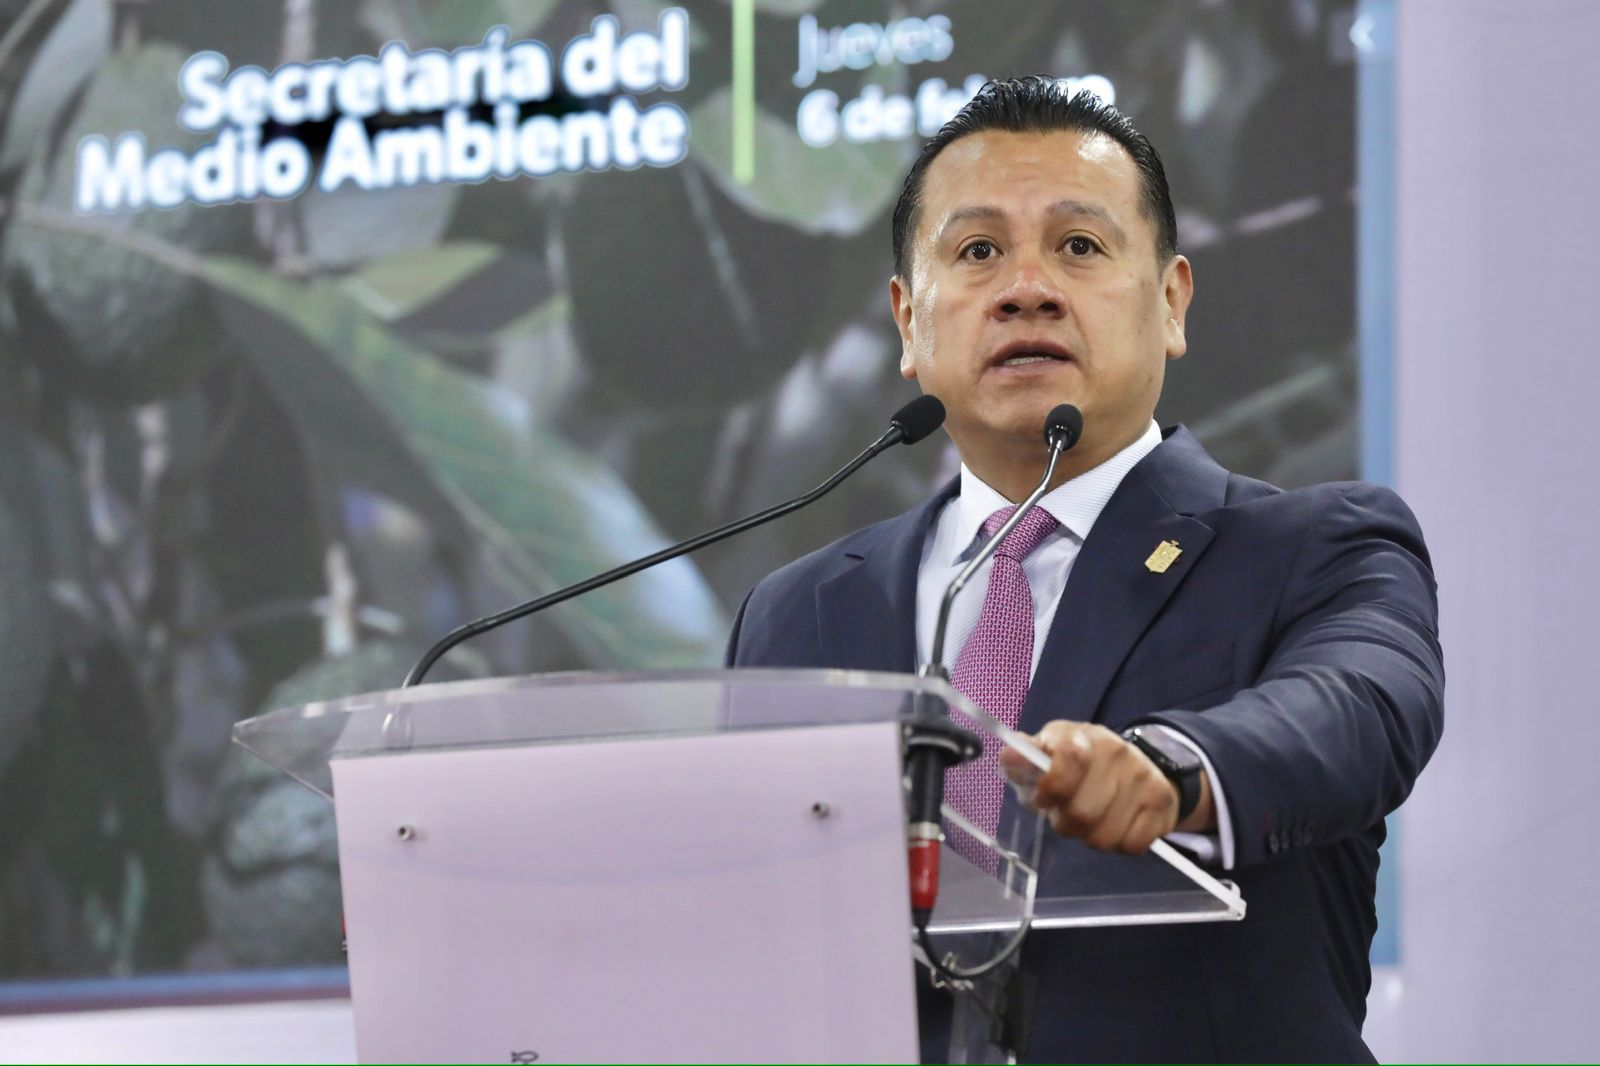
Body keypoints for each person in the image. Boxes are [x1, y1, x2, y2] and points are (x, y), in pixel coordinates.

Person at [725, 77, 1442, 1062]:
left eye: (1079, 246)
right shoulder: (797, 610)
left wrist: (1172, 768)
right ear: (907, 322)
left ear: (1171, 302)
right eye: (978, 251)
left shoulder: (1315, 549)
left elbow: (1359, 707)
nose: (1027, 287)